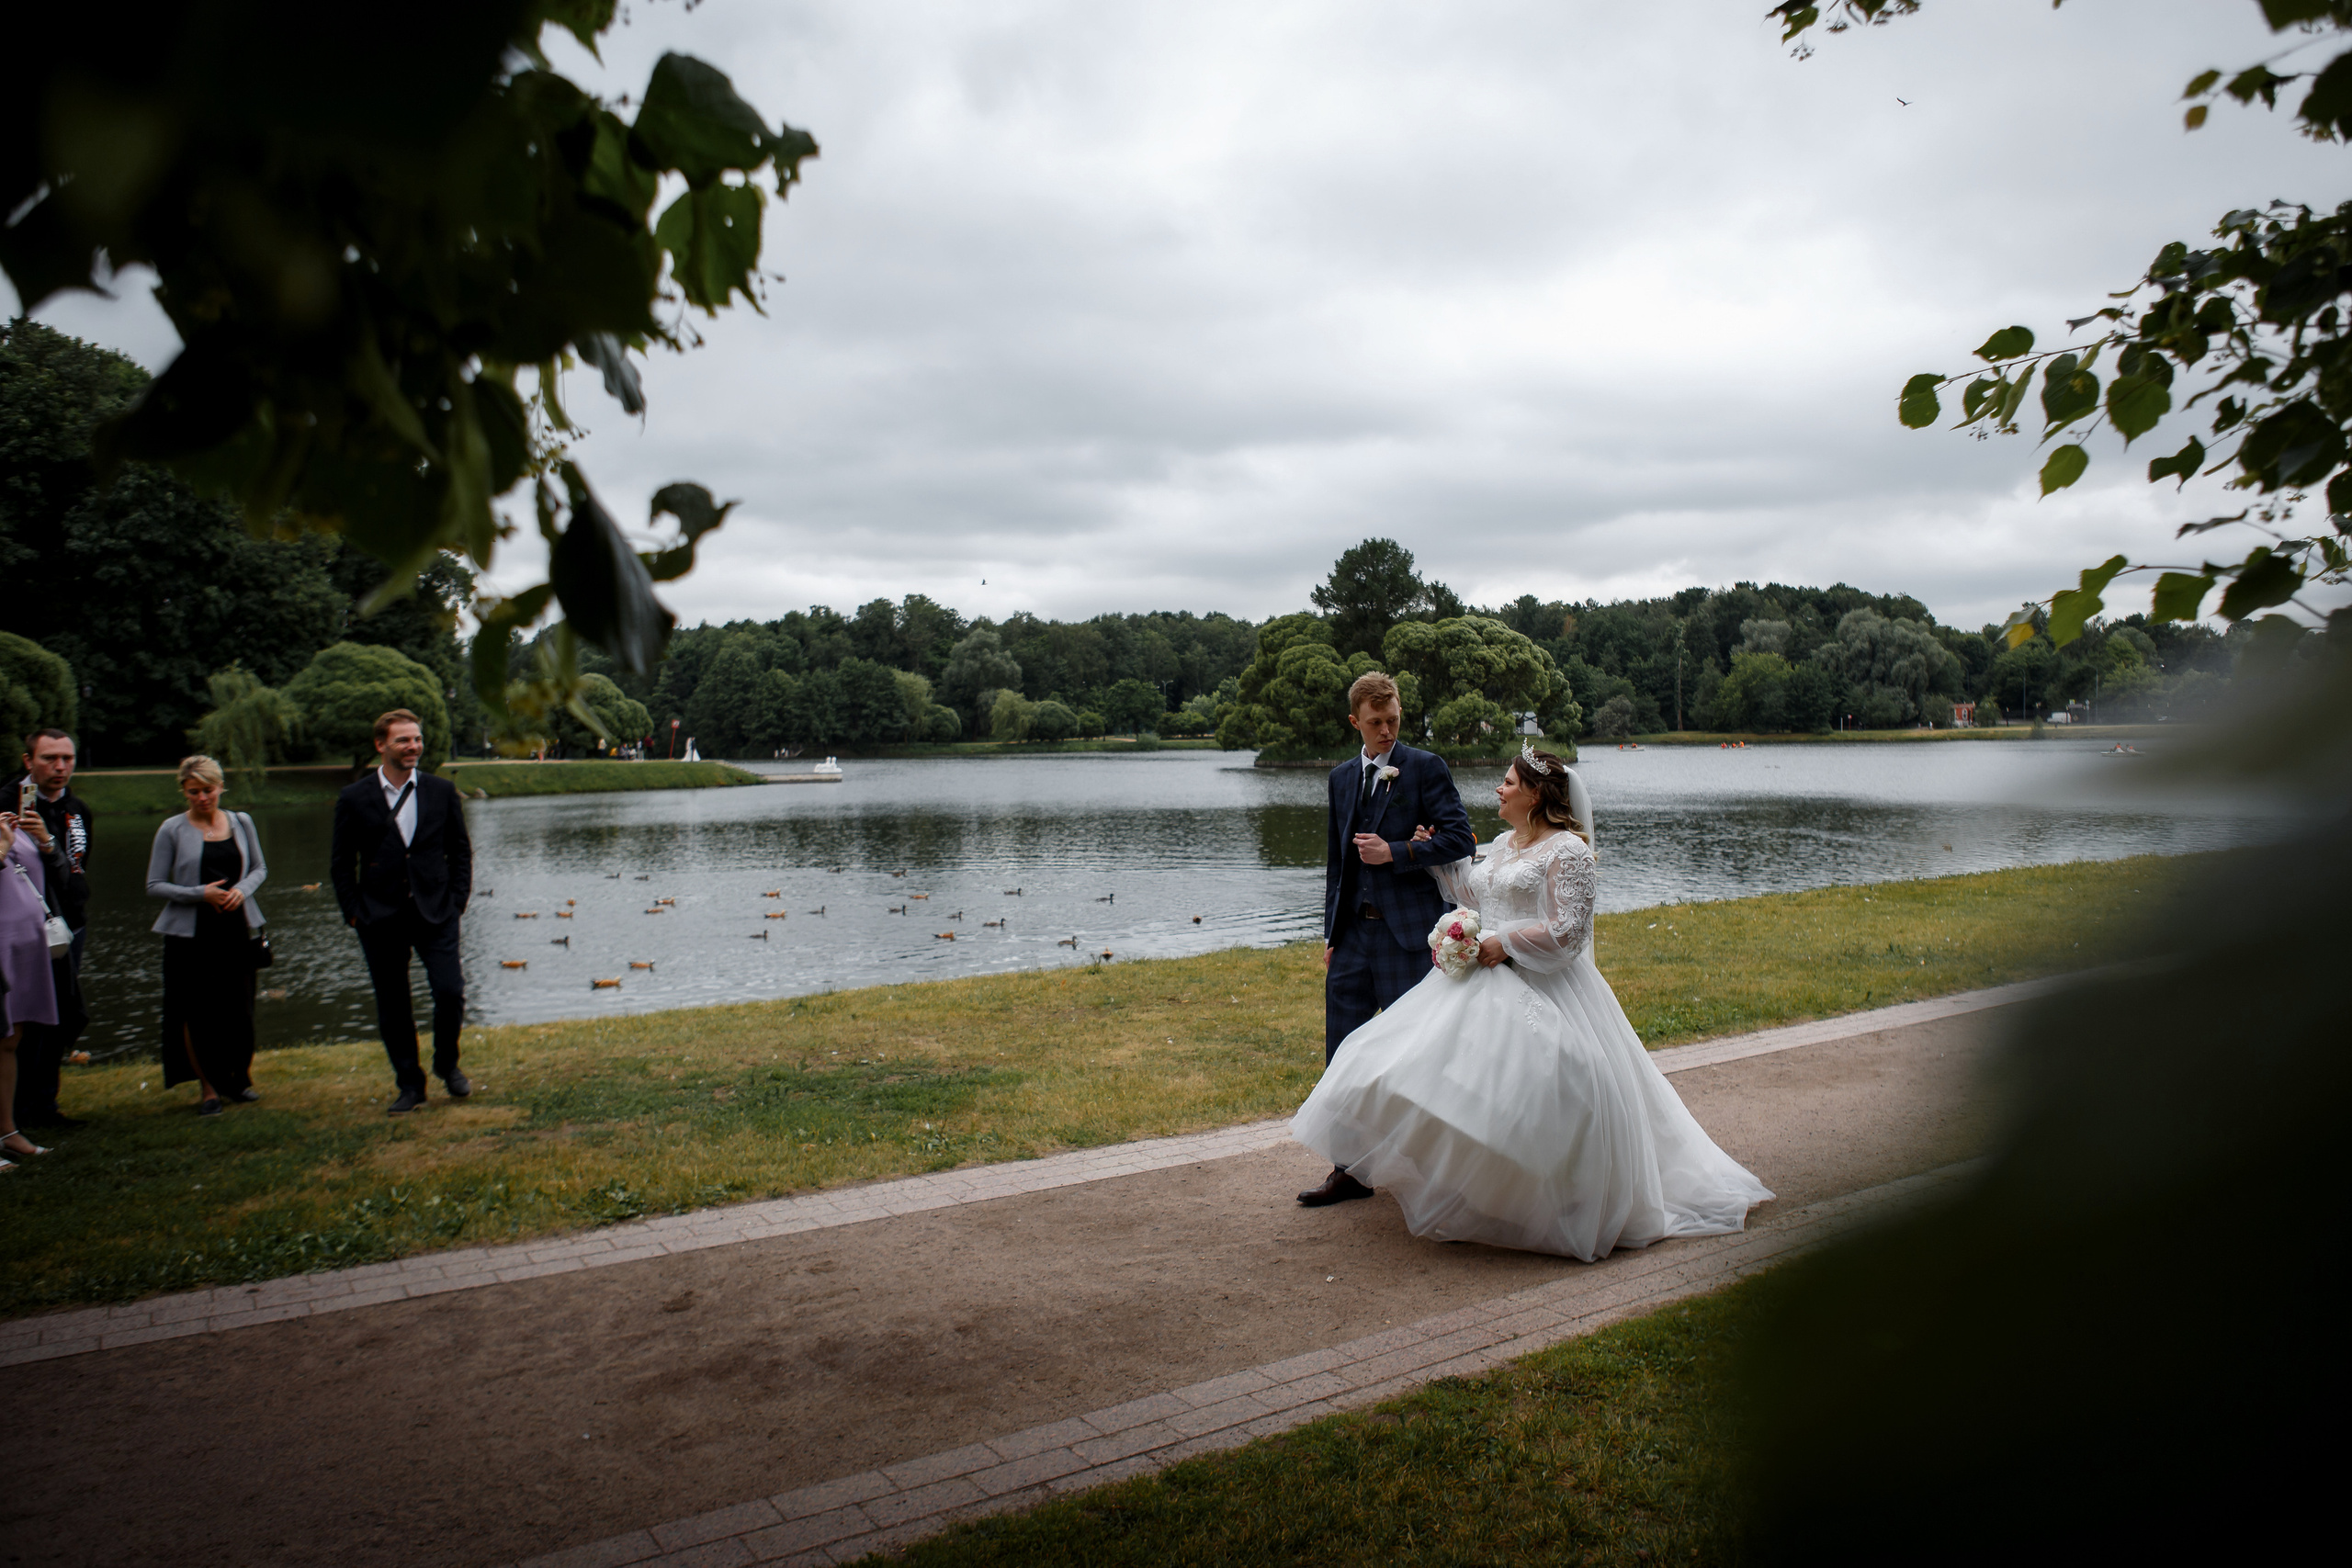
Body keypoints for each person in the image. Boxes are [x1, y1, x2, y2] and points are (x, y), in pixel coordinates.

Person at [1292, 745, 1773, 1259]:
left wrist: (1507, 944)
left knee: (1549, 1080)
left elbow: (1570, 930)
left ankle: (1558, 1195)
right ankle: (1478, 1188)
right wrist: (1440, 872)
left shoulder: (1568, 851)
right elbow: (1476, 895)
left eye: (1508, 782)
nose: (1498, 789)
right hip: (1480, 977)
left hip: (1541, 983)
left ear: (1535, 793)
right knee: (1410, 1067)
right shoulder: (1502, 843)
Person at [1299, 671, 1476, 1207]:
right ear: (1356, 721)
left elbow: (1460, 838)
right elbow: (1337, 866)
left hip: (1408, 938)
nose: (1386, 730)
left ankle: (1434, 1180)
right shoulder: (1339, 779)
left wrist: (1397, 852)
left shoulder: (1425, 768)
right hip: (1354, 937)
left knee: (1419, 1058)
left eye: (1393, 720)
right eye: (1375, 723)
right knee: (1344, 1056)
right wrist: (1332, 934)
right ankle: (1349, 1170)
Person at [331, 708, 473, 1114]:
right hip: (379, 916)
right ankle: (410, 1084)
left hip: (436, 911)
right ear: (381, 745)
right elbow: (341, 864)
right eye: (403, 740)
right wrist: (354, 913)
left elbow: (460, 851)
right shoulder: (354, 798)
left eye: (417, 739)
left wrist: (456, 903)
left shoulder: (440, 791)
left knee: (450, 991)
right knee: (394, 1004)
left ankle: (448, 1064)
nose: (413, 747)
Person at [146, 756, 269, 1115]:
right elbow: (154, 885)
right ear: (184, 792)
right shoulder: (172, 829)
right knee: (197, 1012)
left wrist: (241, 891)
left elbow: (260, 868)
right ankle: (209, 1088)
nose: (202, 798)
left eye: (209, 790)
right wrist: (201, 893)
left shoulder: (241, 822)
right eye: (194, 792)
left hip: (236, 928)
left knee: (239, 1009)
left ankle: (237, 1079)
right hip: (190, 936)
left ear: (220, 788)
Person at [7, 728, 94, 1129]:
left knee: (61, 1015)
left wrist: (48, 845)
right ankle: (14, 1112)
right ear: (28, 762)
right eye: (49, 758)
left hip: (64, 929)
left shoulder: (77, 812)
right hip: (16, 931)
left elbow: (77, 884)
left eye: (67, 758)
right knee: (17, 1021)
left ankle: (44, 1104)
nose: (60, 767)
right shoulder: (7, 802)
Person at [2, 804, 64, 1169]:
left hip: (24, 944)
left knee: (10, 1039)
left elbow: (57, 877)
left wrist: (41, 840)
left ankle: (7, 1131)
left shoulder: (12, 822)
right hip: (1, 942)